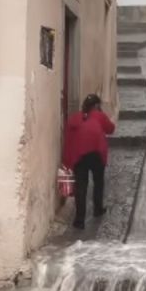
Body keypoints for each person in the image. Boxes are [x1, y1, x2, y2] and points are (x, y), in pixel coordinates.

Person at [62, 94, 115, 229]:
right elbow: (111, 129)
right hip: (96, 152)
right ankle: (98, 209)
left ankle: (79, 220)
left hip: (79, 155)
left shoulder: (75, 118)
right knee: (98, 182)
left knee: (81, 186)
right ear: (97, 106)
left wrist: (68, 160)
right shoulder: (99, 116)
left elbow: (69, 138)